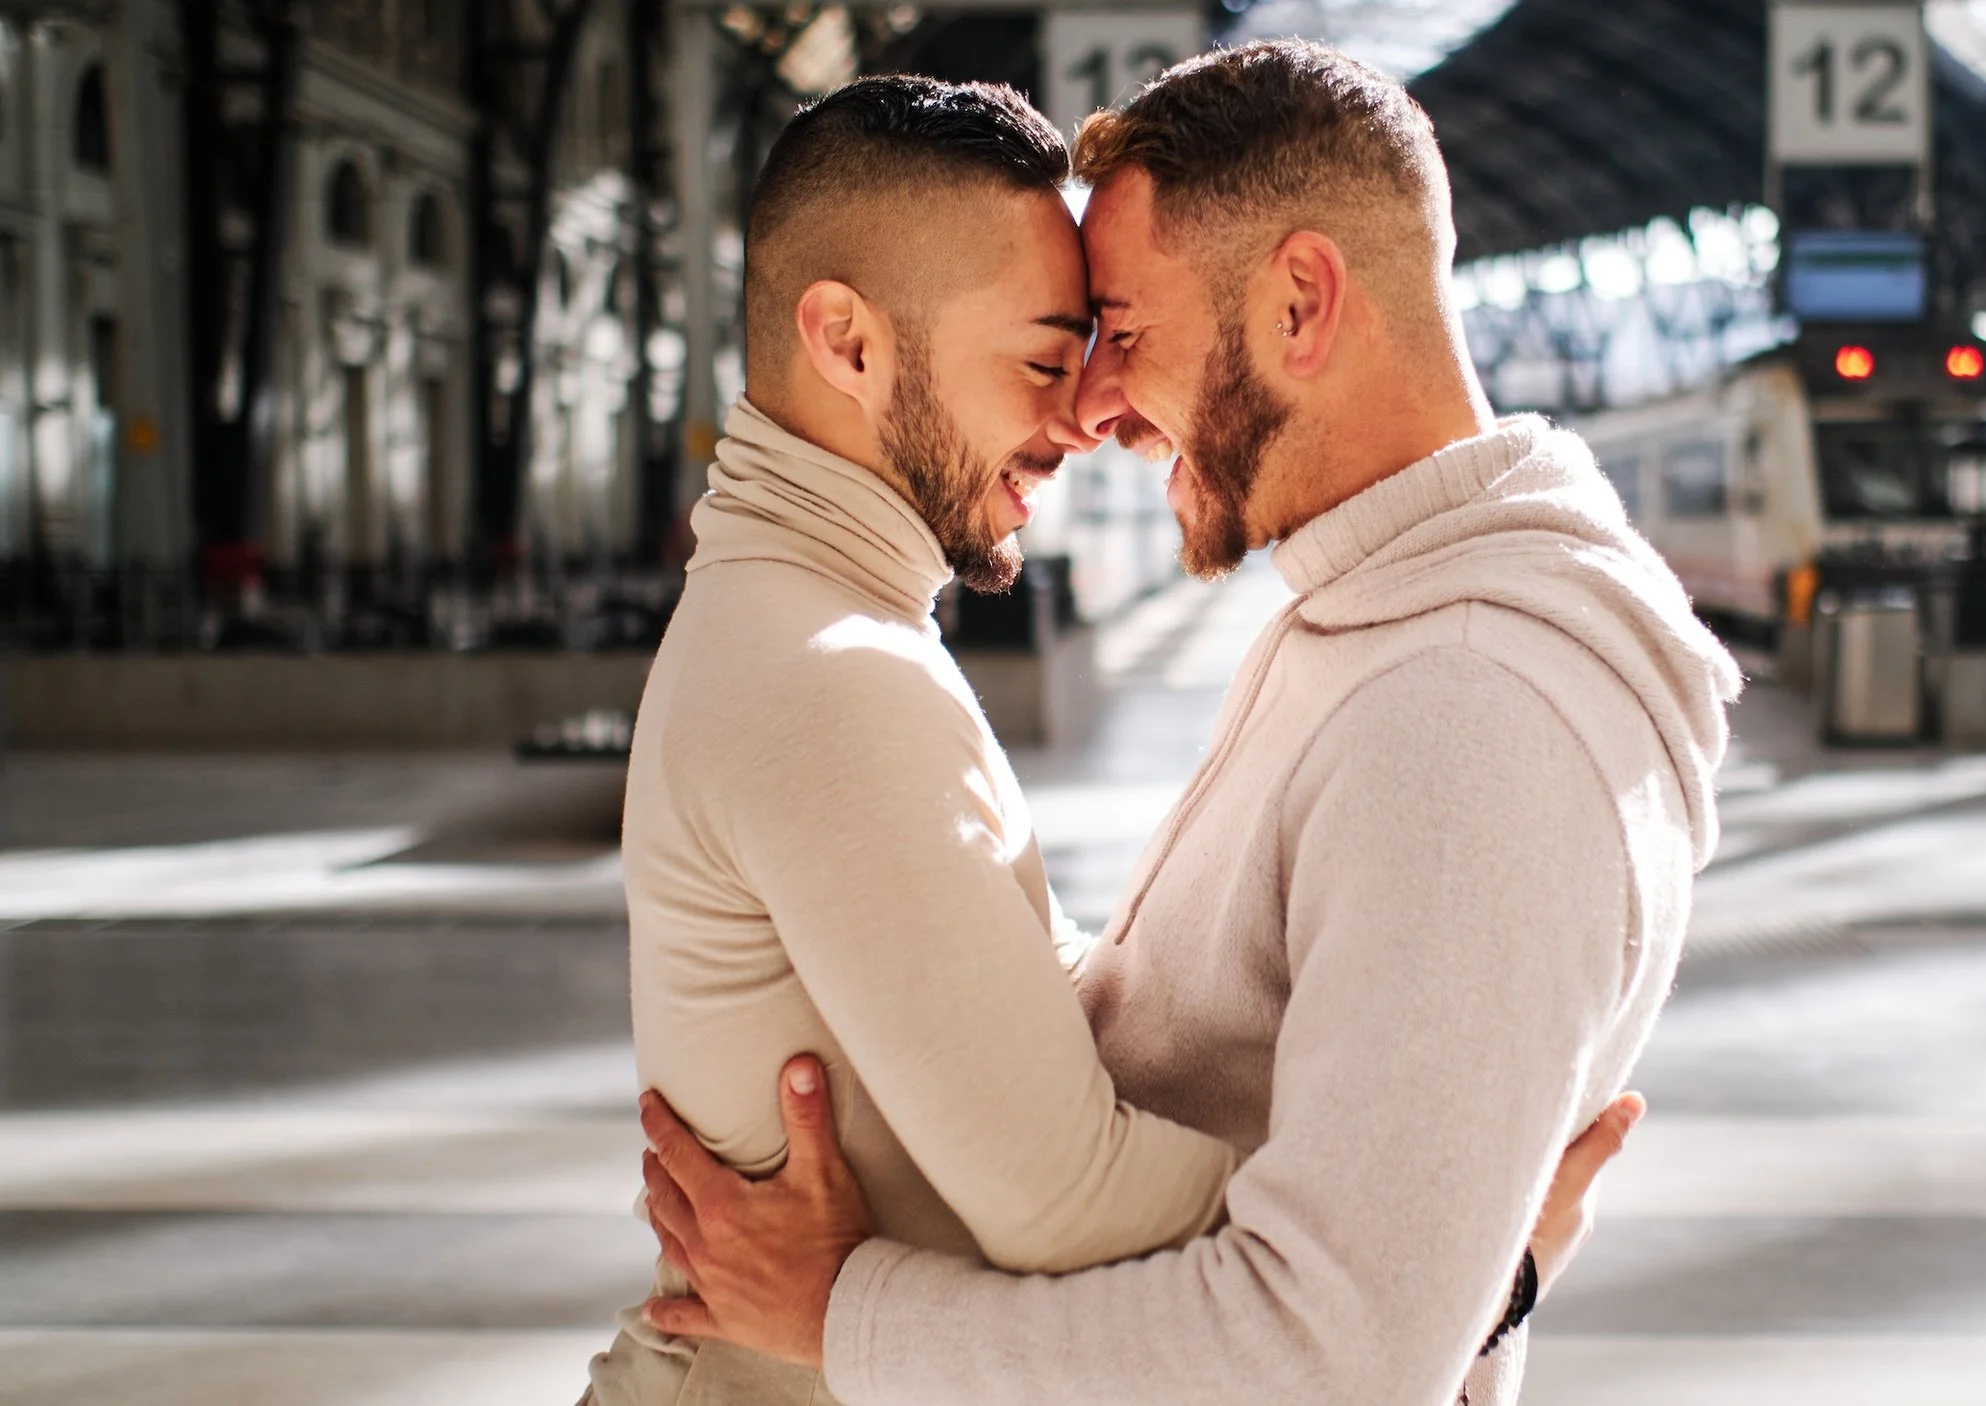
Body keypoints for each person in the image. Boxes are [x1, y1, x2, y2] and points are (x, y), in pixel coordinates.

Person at [638, 39, 1741, 1406]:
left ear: (1298, 302)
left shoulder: (1469, 714)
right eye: (1061, 349)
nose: (1096, 409)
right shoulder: (1373, 631)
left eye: (1125, 336)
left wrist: (1434, 1265)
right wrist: (1453, 1262)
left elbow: (1333, 1341)